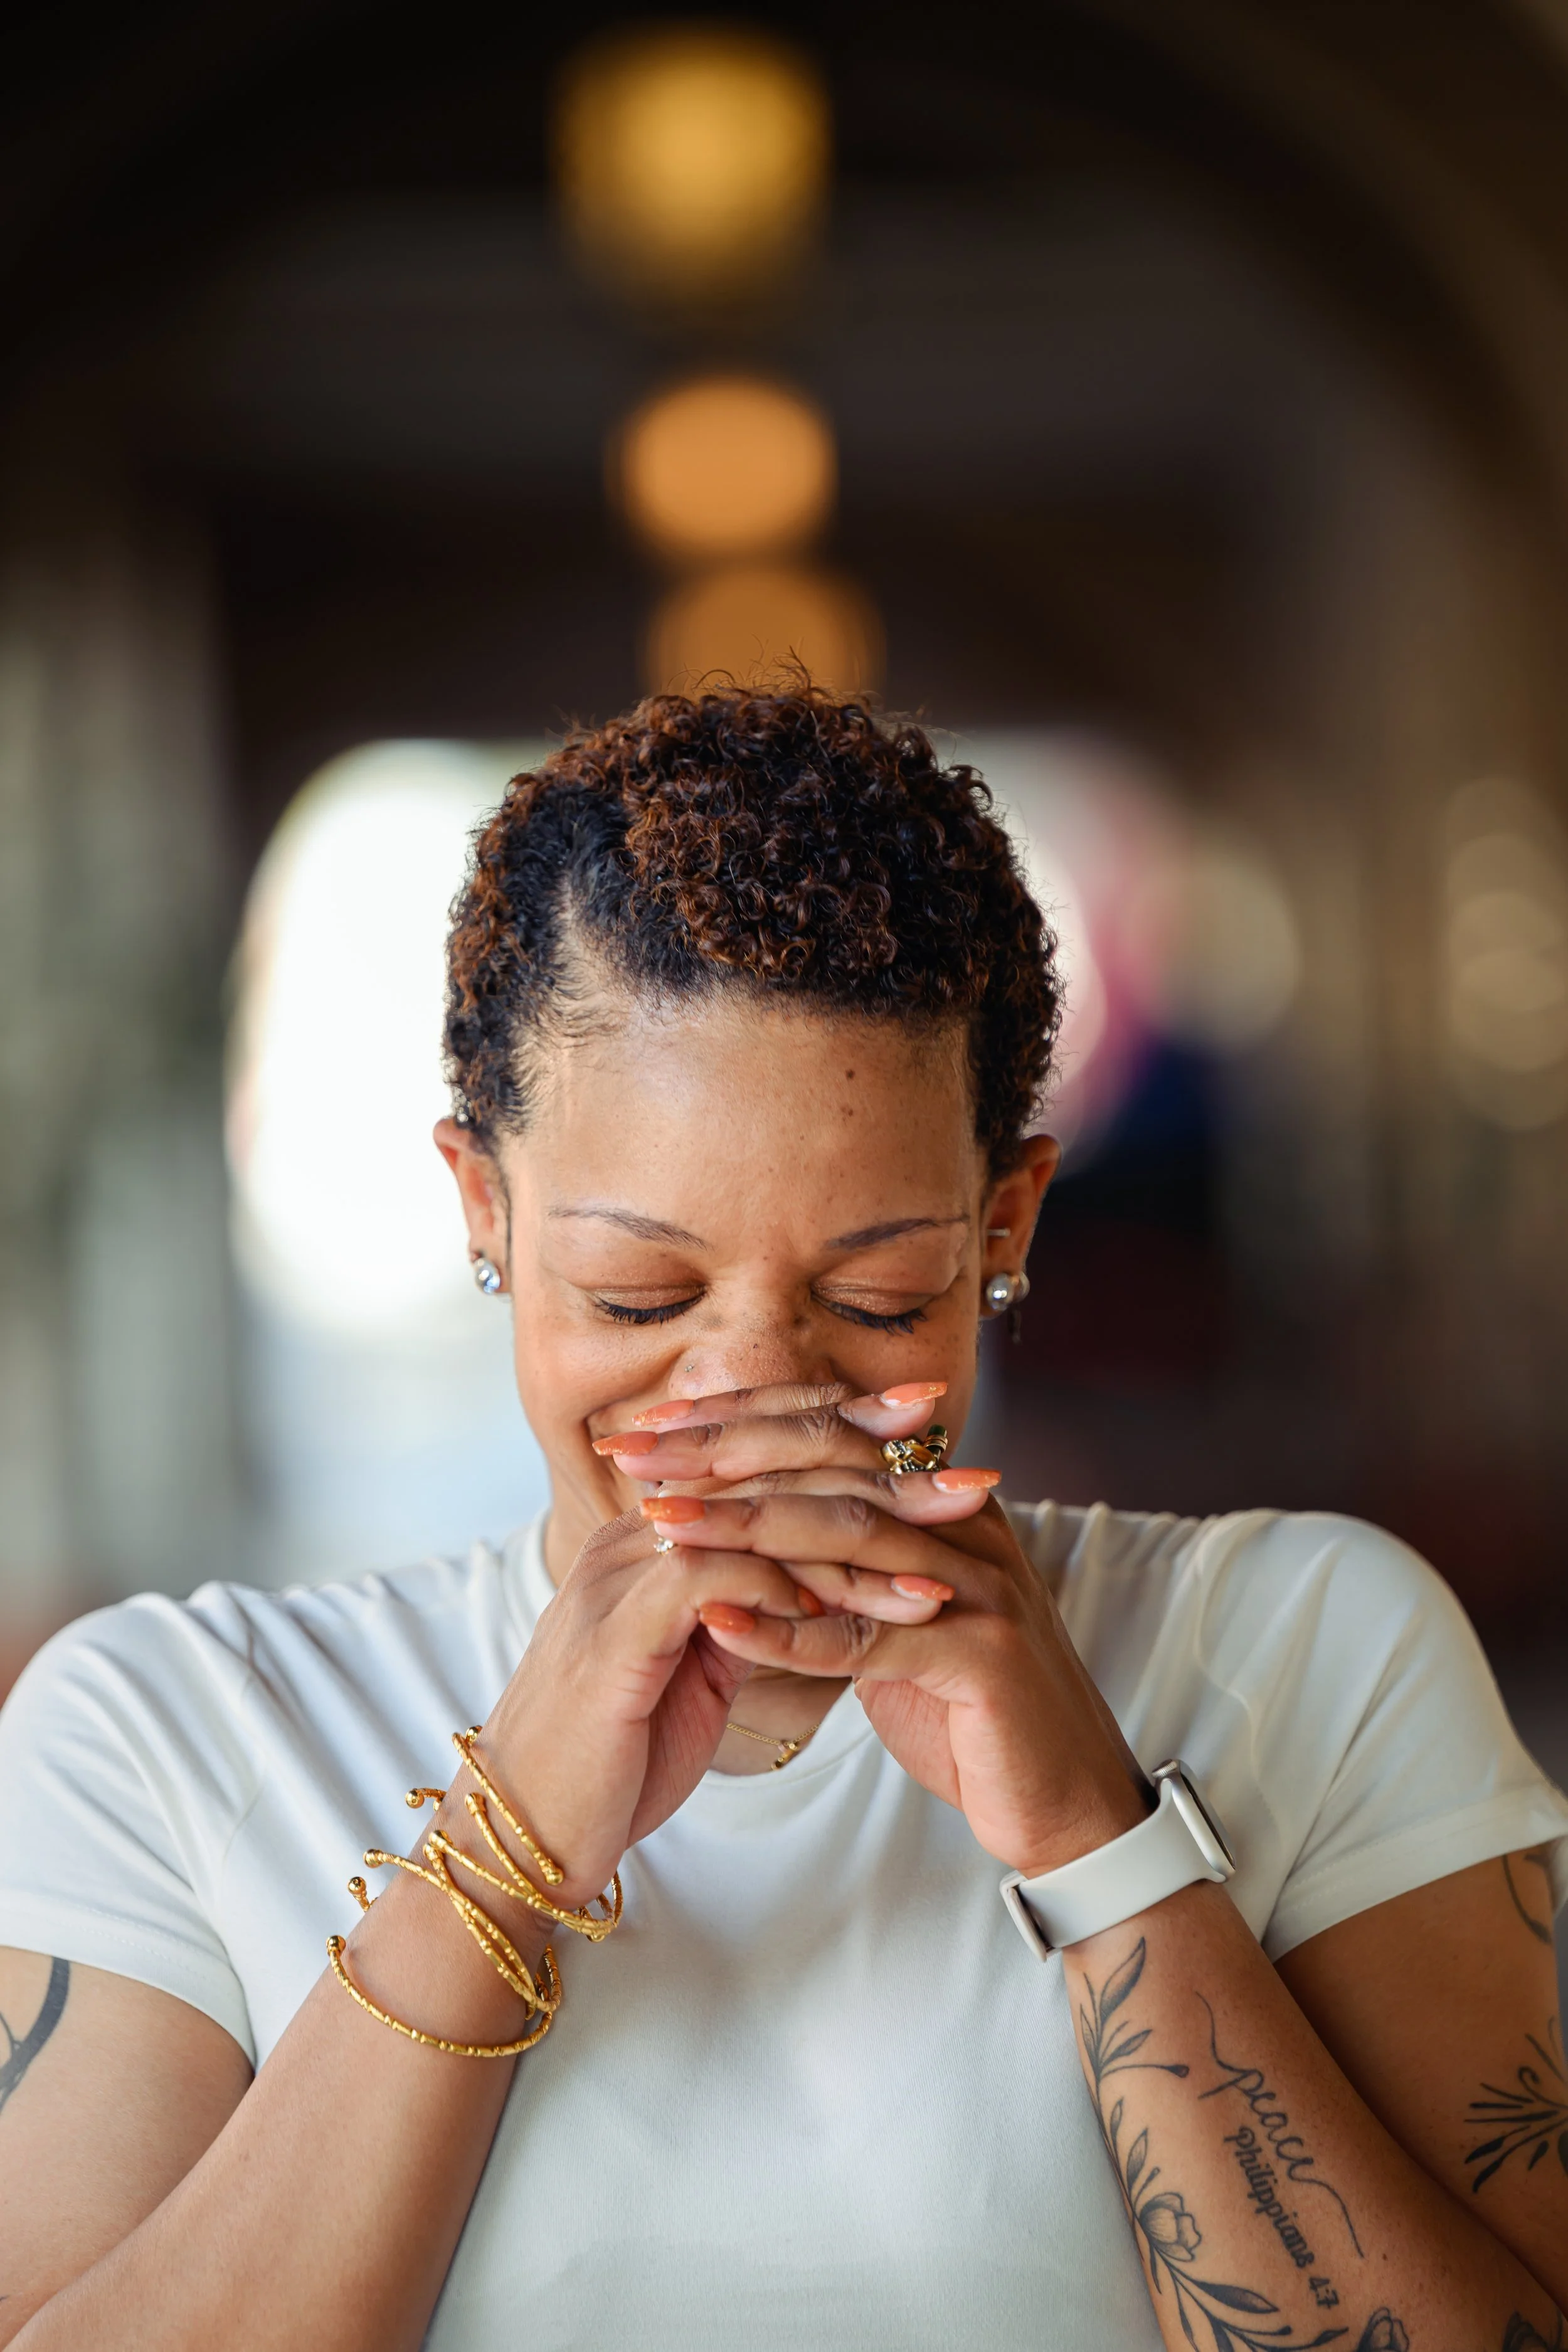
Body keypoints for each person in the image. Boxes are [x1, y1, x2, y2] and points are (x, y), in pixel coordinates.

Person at [0, 686, 1563, 2352]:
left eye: (877, 1294)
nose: (754, 1389)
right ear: (485, 1208)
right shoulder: (166, 1731)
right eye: (637, 1291)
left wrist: (1098, 1841)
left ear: (1001, 1225)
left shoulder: (1306, 1649)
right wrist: (506, 1841)